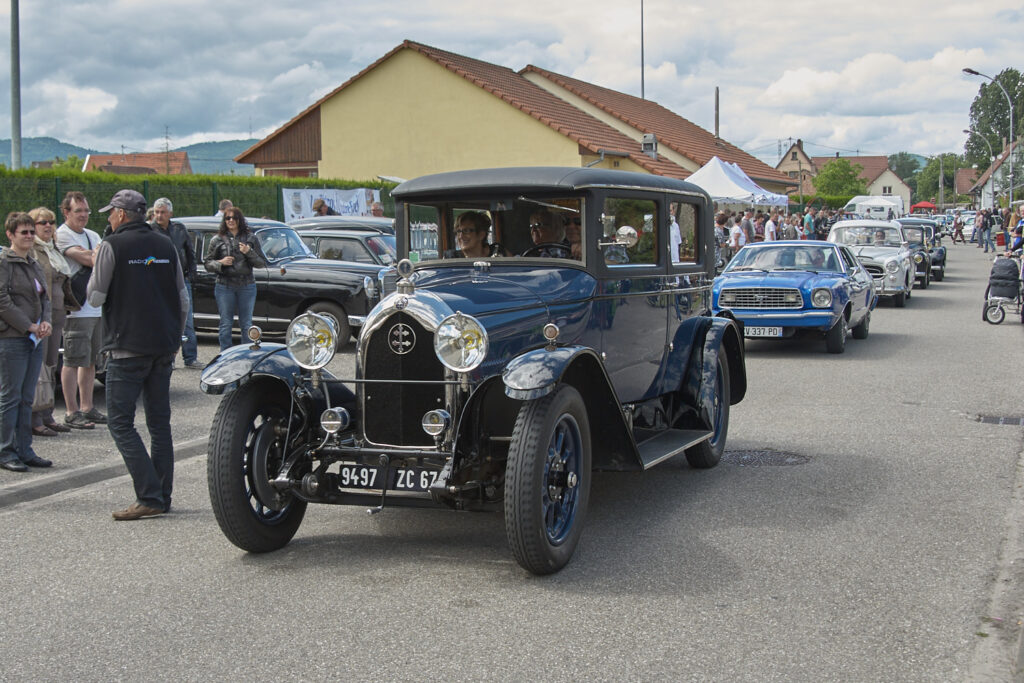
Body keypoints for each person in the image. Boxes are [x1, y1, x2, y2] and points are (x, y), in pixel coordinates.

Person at [88, 190, 187, 519]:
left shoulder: (111, 245)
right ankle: (162, 496)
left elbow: (96, 295)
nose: (107, 218)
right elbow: (182, 297)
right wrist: (175, 338)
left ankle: (149, 496)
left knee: (120, 423)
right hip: (163, 347)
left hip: (126, 347)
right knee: (159, 425)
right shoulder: (165, 244)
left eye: (110, 213)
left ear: (120, 214)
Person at [0, 212, 53, 472]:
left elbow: (45, 298)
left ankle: (24, 449)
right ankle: (5, 450)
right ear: (10, 235)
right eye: (24, 232)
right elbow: (3, 302)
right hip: (11, 339)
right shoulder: (3, 263)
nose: (30, 236)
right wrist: (28, 325)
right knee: (10, 397)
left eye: (32, 232)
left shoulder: (33, 262)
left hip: (34, 340)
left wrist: (45, 322)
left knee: (26, 398)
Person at [55, 191, 105, 429]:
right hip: (76, 309)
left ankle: (87, 406)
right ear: (66, 212)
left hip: (95, 308)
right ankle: (71, 411)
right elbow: (91, 261)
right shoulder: (62, 235)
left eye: (86, 211)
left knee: (91, 361)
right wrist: (93, 255)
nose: (84, 215)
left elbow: (102, 261)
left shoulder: (93, 235)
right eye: (78, 211)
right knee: (72, 359)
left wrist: (93, 255)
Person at [28, 207, 76, 437]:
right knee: (39, 369)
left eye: (51, 222)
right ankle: (35, 418)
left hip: (58, 315)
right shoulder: (33, 251)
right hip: (40, 318)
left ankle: (47, 415)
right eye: (42, 222)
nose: (47, 226)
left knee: (51, 365)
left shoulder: (54, 249)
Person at [204, 207, 266, 350]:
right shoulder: (217, 239)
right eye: (227, 218)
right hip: (224, 286)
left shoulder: (251, 238)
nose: (231, 221)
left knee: (246, 324)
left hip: (246, 285)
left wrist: (249, 252)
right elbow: (207, 263)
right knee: (226, 323)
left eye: (234, 218)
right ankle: (225, 354)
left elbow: (262, 263)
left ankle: (247, 353)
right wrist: (220, 263)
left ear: (240, 220)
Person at [152, 198, 199, 368]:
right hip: (160, 282)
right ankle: (165, 358)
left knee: (186, 320)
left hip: (181, 280)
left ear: (170, 213)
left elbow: (190, 252)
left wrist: (192, 273)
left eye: (163, 212)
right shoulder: (149, 230)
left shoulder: (179, 229)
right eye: (156, 212)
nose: (159, 215)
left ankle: (191, 357)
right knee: (162, 320)